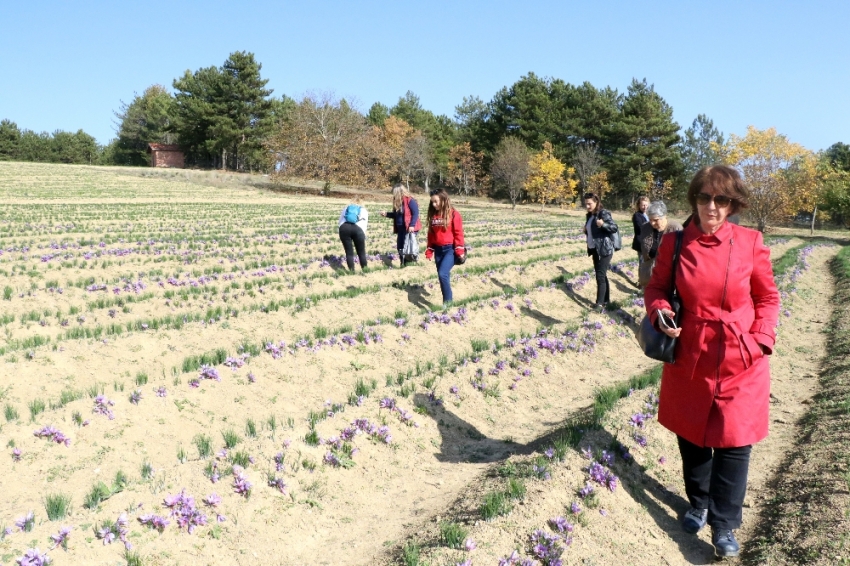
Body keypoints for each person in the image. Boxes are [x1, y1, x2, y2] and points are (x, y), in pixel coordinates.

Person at [644, 165, 780, 558]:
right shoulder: (675, 242)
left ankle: (724, 525)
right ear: (694, 200)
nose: (712, 207)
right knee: (692, 436)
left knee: (736, 442)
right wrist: (659, 313)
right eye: (704, 198)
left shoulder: (751, 242)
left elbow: (768, 298)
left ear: (733, 204)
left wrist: (760, 341)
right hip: (692, 352)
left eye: (721, 200)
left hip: (742, 355)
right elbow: (656, 287)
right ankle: (698, 502)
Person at [424, 189, 465, 304]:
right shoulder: (434, 215)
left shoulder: (454, 214)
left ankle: (448, 303)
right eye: (432, 202)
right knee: (442, 277)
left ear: (443, 199)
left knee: (443, 274)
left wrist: (459, 249)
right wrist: (429, 249)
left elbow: (458, 233)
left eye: (436, 201)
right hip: (438, 250)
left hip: (450, 250)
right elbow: (431, 234)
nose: (434, 204)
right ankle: (446, 300)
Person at [582, 192, 618, 310]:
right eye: (586, 204)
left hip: (605, 249)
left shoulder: (603, 213)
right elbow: (594, 231)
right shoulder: (589, 215)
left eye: (589, 204)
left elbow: (614, 227)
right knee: (602, 275)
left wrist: (603, 225)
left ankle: (599, 303)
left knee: (600, 275)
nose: (587, 206)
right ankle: (606, 300)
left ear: (596, 202)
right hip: (595, 249)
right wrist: (586, 230)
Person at [637, 201, 683, 289]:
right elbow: (644, 251)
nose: (652, 223)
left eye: (656, 220)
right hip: (649, 274)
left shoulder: (676, 229)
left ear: (664, 216)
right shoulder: (645, 227)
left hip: (669, 276)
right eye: (650, 219)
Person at [380, 185, 422, 267]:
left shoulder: (410, 200)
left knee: (406, 246)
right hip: (401, 229)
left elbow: (415, 213)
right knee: (400, 246)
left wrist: (412, 225)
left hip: (408, 228)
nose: (394, 195)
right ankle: (402, 263)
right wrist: (386, 214)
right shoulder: (397, 202)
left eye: (395, 193)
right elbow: (396, 215)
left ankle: (407, 264)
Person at [337, 196, 369, 272]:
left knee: (349, 252)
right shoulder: (363, 210)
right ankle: (365, 270)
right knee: (361, 252)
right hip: (358, 229)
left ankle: (352, 271)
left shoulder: (346, 208)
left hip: (344, 228)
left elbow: (340, 221)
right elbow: (365, 224)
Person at [631, 195, 650, 261]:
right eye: (643, 205)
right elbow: (640, 228)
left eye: (646, 205)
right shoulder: (637, 215)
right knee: (643, 264)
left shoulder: (649, 215)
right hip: (641, 243)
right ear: (639, 205)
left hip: (649, 243)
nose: (645, 207)